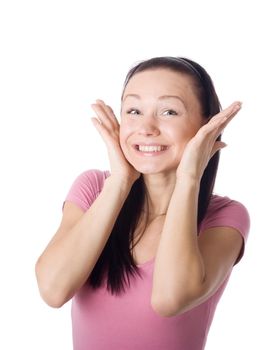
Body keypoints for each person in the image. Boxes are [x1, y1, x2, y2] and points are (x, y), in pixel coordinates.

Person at [35, 56, 250, 350]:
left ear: (206, 126)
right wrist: (120, 181)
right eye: (134, 110)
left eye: (169, 111)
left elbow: (169, 299)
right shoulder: (94, 188)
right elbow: (53, 290)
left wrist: (189, 177)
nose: (146, 127)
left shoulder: (225, 217)